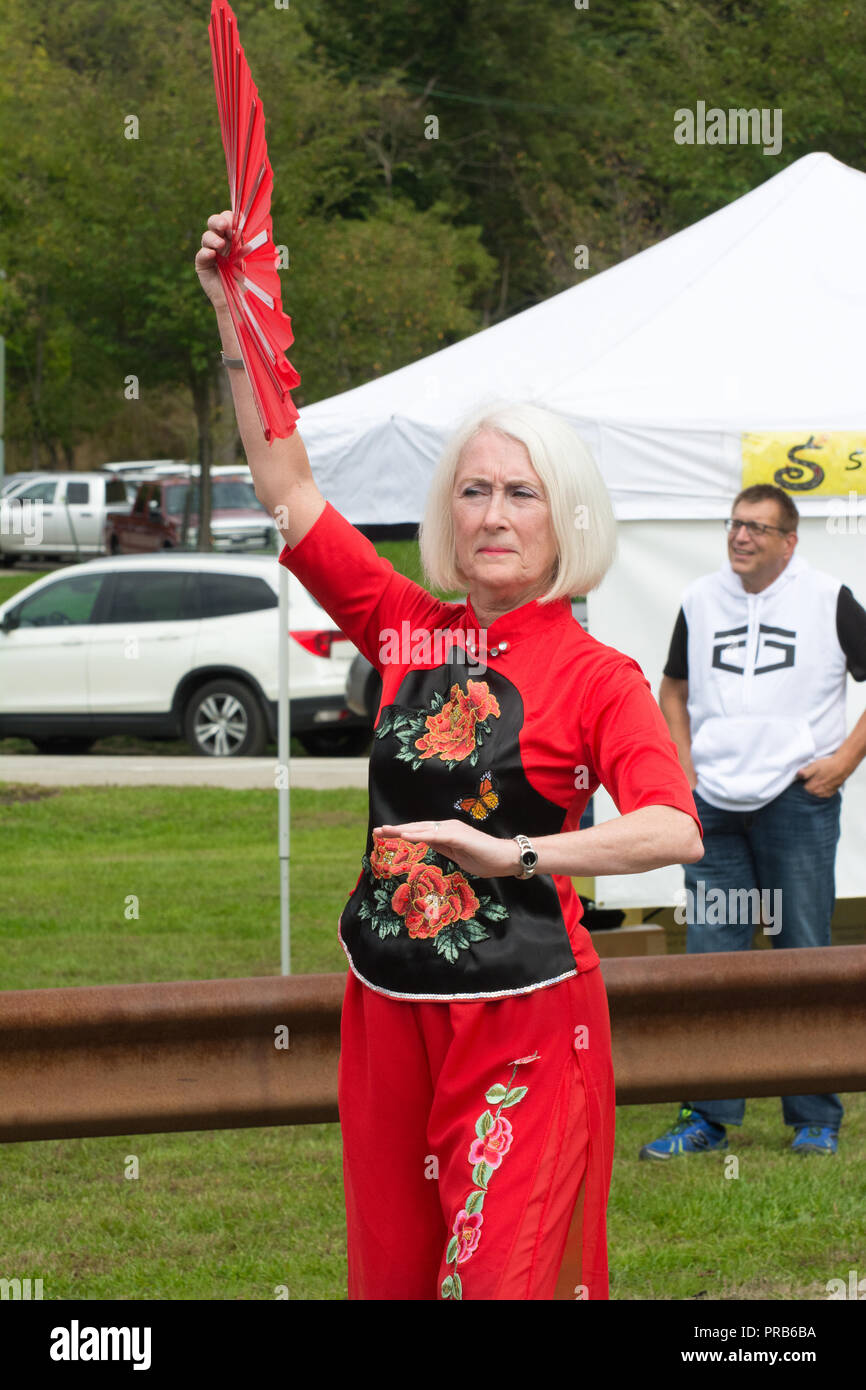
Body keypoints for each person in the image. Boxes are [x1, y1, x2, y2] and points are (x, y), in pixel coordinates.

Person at [196, 210, 703, 1299]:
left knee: (497, 1281)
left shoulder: (597, 675)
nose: (491, 513)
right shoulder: (402, 624)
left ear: (565, 516)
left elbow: (671, 826)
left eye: (519, 492)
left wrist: (513, 856)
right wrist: (236, 315)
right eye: (471, 489)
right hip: (385, 1002)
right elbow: (287, 490)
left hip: (523, 1013)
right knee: (391, 1280)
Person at [641, 484, 866, 1162]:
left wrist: (844, 760)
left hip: (796, 799)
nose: (741, 537)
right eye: (736, 525)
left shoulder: (830, 599)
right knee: (714, 959)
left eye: (758, 529)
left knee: (804, 953)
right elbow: (672, 689)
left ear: (789, 541)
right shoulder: (699, 599)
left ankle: (814, 1116)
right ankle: (707, 1115)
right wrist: (681, 768)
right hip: (714, 807)